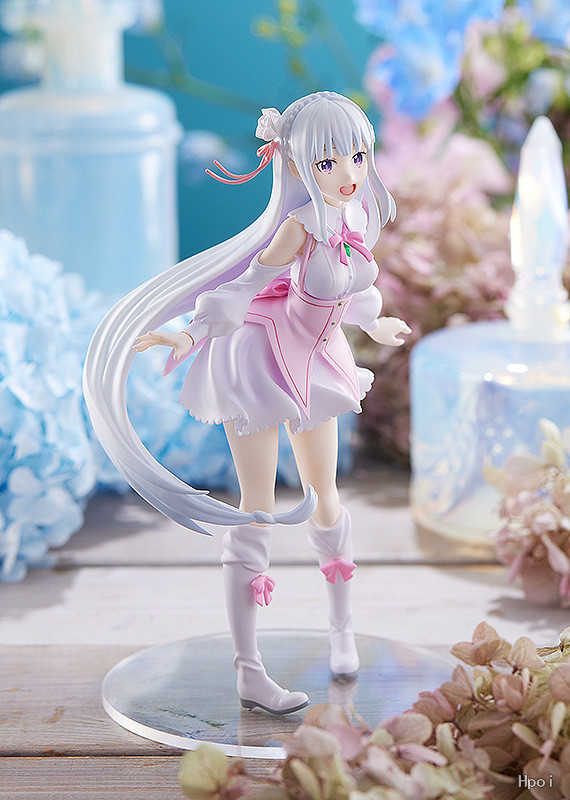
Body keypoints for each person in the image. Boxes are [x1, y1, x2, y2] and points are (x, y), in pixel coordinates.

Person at [84, 91, 410, 716]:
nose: (347, 173)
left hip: (318, 360)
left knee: (324, 497)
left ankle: (342, 632)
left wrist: (377, 322)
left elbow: (350, 289)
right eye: (327, 162)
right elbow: (246, 286)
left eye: (357, 156)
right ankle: (249, 671)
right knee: (256, 509)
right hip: (258, 358)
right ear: (298, 165)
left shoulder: (355, 217)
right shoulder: (298, 225)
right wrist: (189, 334)